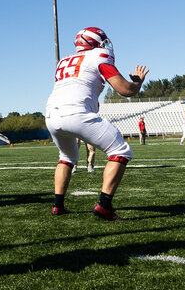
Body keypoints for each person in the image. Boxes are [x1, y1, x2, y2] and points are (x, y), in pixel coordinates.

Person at [45, 27, 148, 220]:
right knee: (121, 151)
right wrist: (137, 83)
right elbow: (125, 90)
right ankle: (104, 205)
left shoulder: (63, 61)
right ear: (95, 43)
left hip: (51, 114)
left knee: (66, 157)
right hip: (76, 112)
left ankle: (57, 206)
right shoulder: (99, 55)